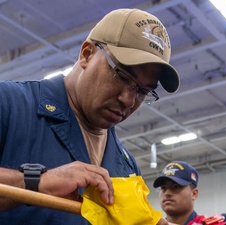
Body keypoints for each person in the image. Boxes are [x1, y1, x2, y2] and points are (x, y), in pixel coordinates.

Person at [0, 8, 179, 225]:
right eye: (122, 76)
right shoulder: (9, 104)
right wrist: (35, 182)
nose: (129, 100)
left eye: (142, 91)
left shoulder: (127, 166)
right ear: (87, 53)